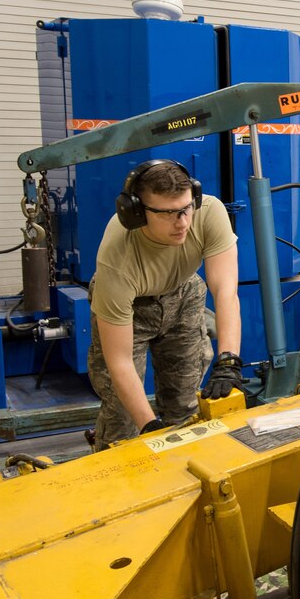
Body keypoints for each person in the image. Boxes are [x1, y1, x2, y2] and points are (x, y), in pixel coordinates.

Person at [87, 158, 243, 450]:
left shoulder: (208, 212)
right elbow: (119, 361)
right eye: (168, 214)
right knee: (123, 419)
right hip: (131, 306)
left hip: (184, 293)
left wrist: (229, 361)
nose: (183, 223)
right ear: (136, 213)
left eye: (186, 209)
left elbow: (225, 292)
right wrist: (150, 428)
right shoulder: (117, 259)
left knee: (184, 403)